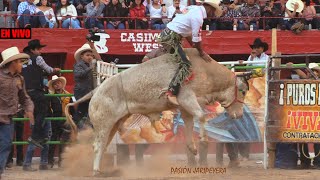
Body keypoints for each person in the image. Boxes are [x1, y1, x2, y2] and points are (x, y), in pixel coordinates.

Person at [144, 0, 222, 105]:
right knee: (186, 64)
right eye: (213, 12)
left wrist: (195, 48)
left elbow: (186, 32)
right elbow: (196, 39)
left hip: (168, 34)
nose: (213, 15)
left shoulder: (192, 8)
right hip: (172, 38)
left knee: (178, 61)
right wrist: (201, 53)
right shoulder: (198, 18)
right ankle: (171, 92)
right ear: (210, 8)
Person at [0, 46, 34, 179]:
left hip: (8, 118)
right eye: (20, 62)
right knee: (5, 144)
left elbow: (25, 98)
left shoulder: (20, 79)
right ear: (13, 63)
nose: (22, 65)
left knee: (6, 144)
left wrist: (29, 109)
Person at [73, 41, 101, 128]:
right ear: (82, 56)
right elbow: (78, 74)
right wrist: (90, 68)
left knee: (84, 112)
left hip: (87, 92)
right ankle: (69, 131)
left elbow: (99, 60)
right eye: (87, 55)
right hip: (82, 92)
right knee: (81, 113)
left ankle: (70, 131)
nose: (90, 57)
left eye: (91, 55)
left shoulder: (86, 65)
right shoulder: (79, 65)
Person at [47, 75, 71, 168]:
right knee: (53, 140)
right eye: (55, 84)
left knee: (64, 141)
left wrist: (71, 117)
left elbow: (71, 108)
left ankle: (62, 161)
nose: (57, 85)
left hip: (65, 120)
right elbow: (48, 109)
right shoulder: (51, 96)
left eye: (58, 83)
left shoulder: (68, 95)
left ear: (62, 84)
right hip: (54, 120)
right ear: (53, 86)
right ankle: (50, 161)